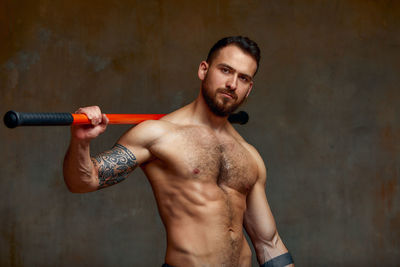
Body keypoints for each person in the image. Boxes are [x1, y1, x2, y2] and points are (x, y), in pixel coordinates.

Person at [63, 36, 294, 267]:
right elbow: (83, 182)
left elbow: (268, 243)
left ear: (249, 88)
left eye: (243, 78)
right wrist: (81, 142)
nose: (232, 84)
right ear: (204, 70)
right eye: (225, 70)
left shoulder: (249, 155)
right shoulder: (159, 135)